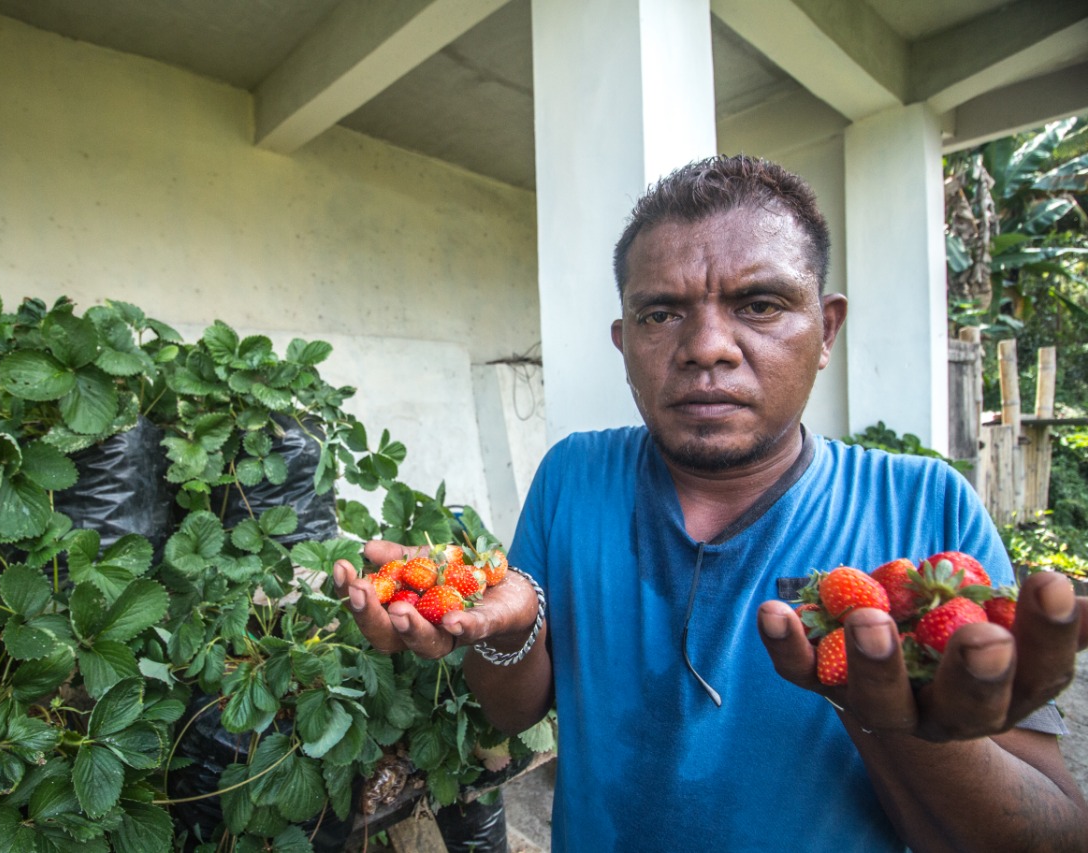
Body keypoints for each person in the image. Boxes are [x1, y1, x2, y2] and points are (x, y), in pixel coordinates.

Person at [334, 155, 1088, 851]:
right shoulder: (574, 476)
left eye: (759, 304)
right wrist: (509, 630)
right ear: (623, 341)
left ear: (826, 329)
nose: (707, 347)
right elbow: (514, 712)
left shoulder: (924, 512)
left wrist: (899, 720)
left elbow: (1052, 835)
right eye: (662, 314)